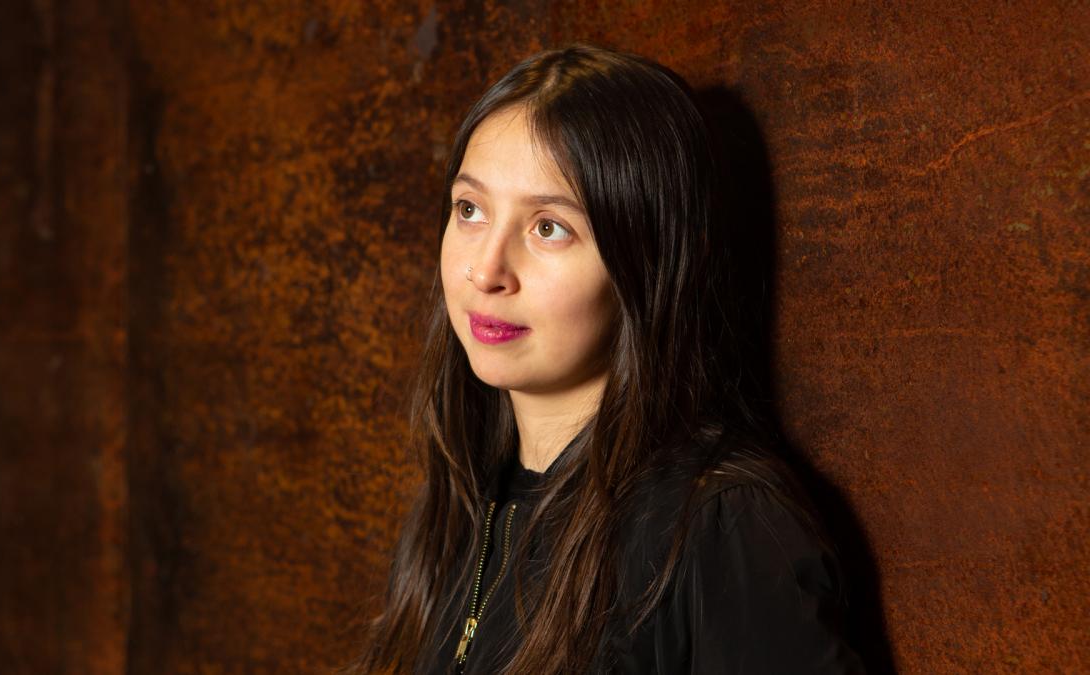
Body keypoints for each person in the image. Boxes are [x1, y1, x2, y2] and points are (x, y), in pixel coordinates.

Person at [348, 43, 867, 674]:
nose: (485, 270)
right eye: (470, 210)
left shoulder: (719, 525)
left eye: (549, 227)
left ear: (642, 263)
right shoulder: (461, 501)